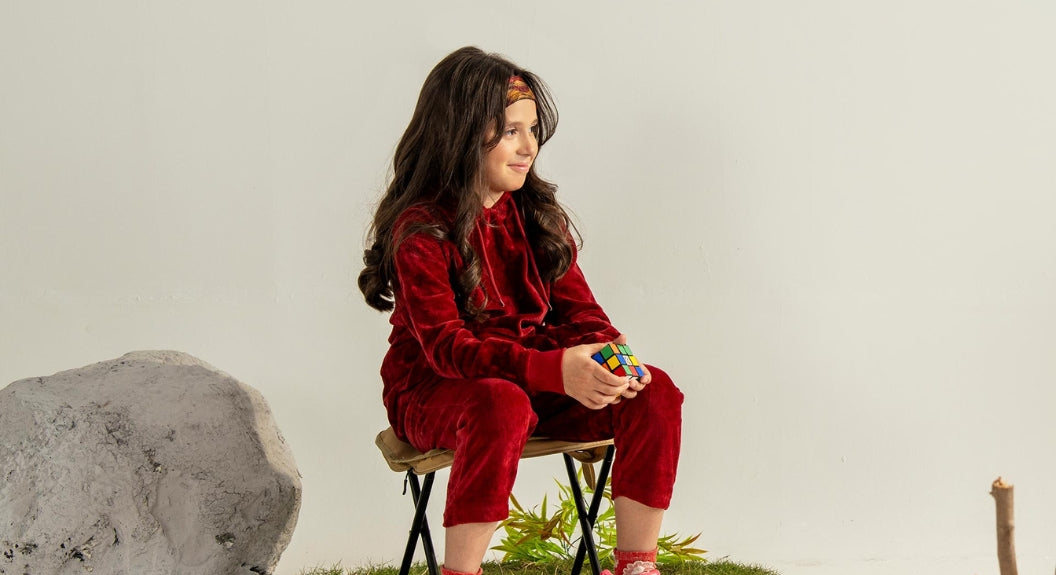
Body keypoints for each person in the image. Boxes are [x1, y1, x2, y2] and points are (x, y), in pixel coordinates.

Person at [359, 46, 683, 575]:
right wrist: (553, 370)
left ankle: (636, 566)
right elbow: (447, 349)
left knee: (655, 390)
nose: (529, 146)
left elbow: (583, 312)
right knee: (500, 402)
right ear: (462, 134)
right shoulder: (420, 230)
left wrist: (612, 360)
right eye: (511, 130)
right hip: (437, 388)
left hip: (533, 380)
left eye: (532, 130)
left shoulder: (536, 216)